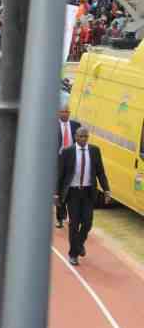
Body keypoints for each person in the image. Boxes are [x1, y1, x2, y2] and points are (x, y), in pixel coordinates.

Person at [56, 127, 110, 266]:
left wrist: (106, 190)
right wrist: (56, 193)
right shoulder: (67, 152)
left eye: (86, 136)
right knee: (74, 224)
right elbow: (60, 175)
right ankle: (73, 254)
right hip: (72, 193)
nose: (83, 139)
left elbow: (101, 172)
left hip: (88, 192)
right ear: (76, 137)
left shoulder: (94, 151)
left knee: (87, 222)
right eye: (81, 136)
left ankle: (79, 244)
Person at [55, 104, 81, 229]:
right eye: (63, 111)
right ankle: (60, 218)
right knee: (59, 189)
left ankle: (73, 216)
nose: (65, 114)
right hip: (58, 159)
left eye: (67, 112)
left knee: (71, 187)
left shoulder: (76, 126)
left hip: (72, 159)